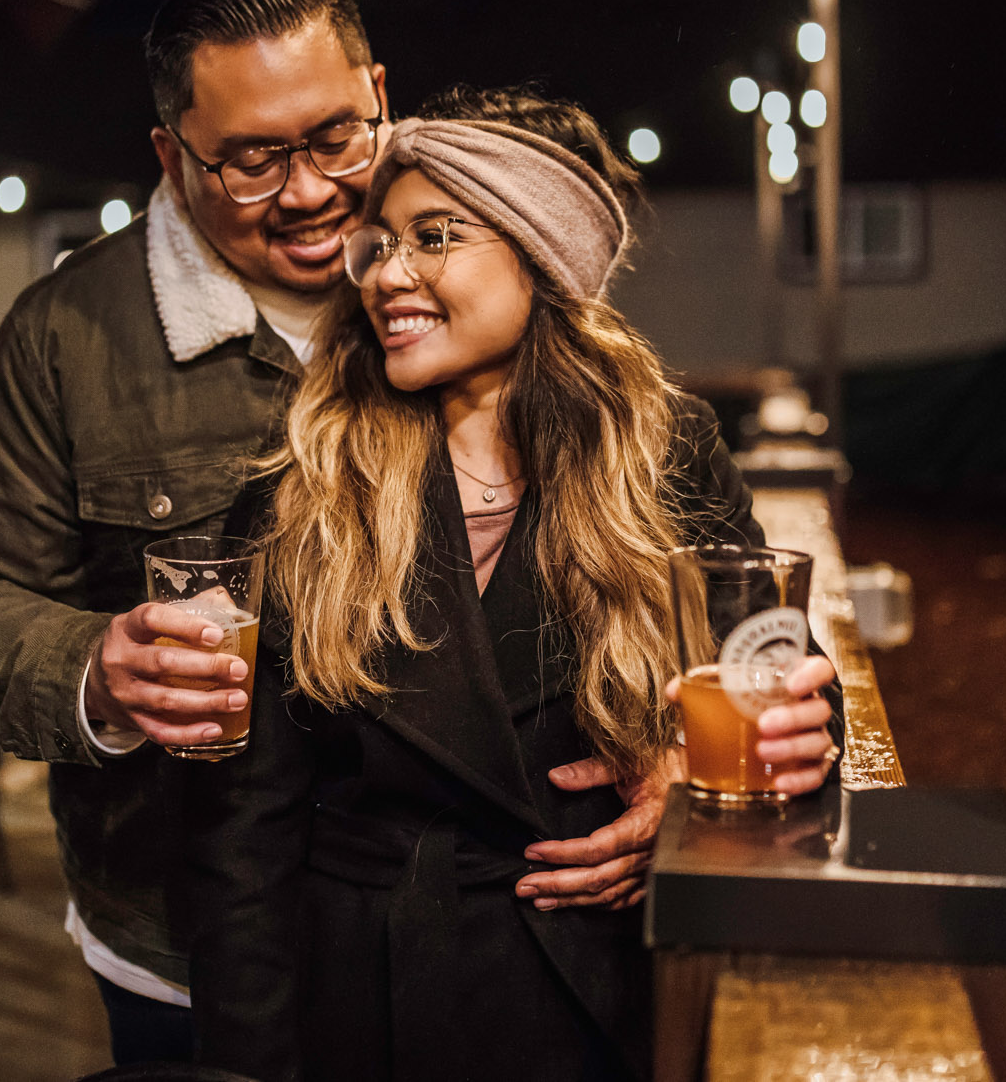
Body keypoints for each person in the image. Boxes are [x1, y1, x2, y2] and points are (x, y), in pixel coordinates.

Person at [0, 0, 695, 1064]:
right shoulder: (68, 333)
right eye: (252, 161)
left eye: (334, 137)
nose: (313, 190)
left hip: (497, 936)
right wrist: (95, 665)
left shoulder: (458, 259)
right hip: (177, 931)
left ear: (378, 89)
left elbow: (666, 558)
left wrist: (689, 763)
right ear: (172, 158)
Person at [184, 93, 842, 1082]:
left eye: (432, 237)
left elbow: (774, 685)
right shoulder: (298, 491)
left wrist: (725, 775)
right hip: (361, 1006)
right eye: (378, 245)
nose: (386, 275)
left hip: (594, 987)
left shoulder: (664, 451)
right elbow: (241, 836)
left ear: (536, 256)